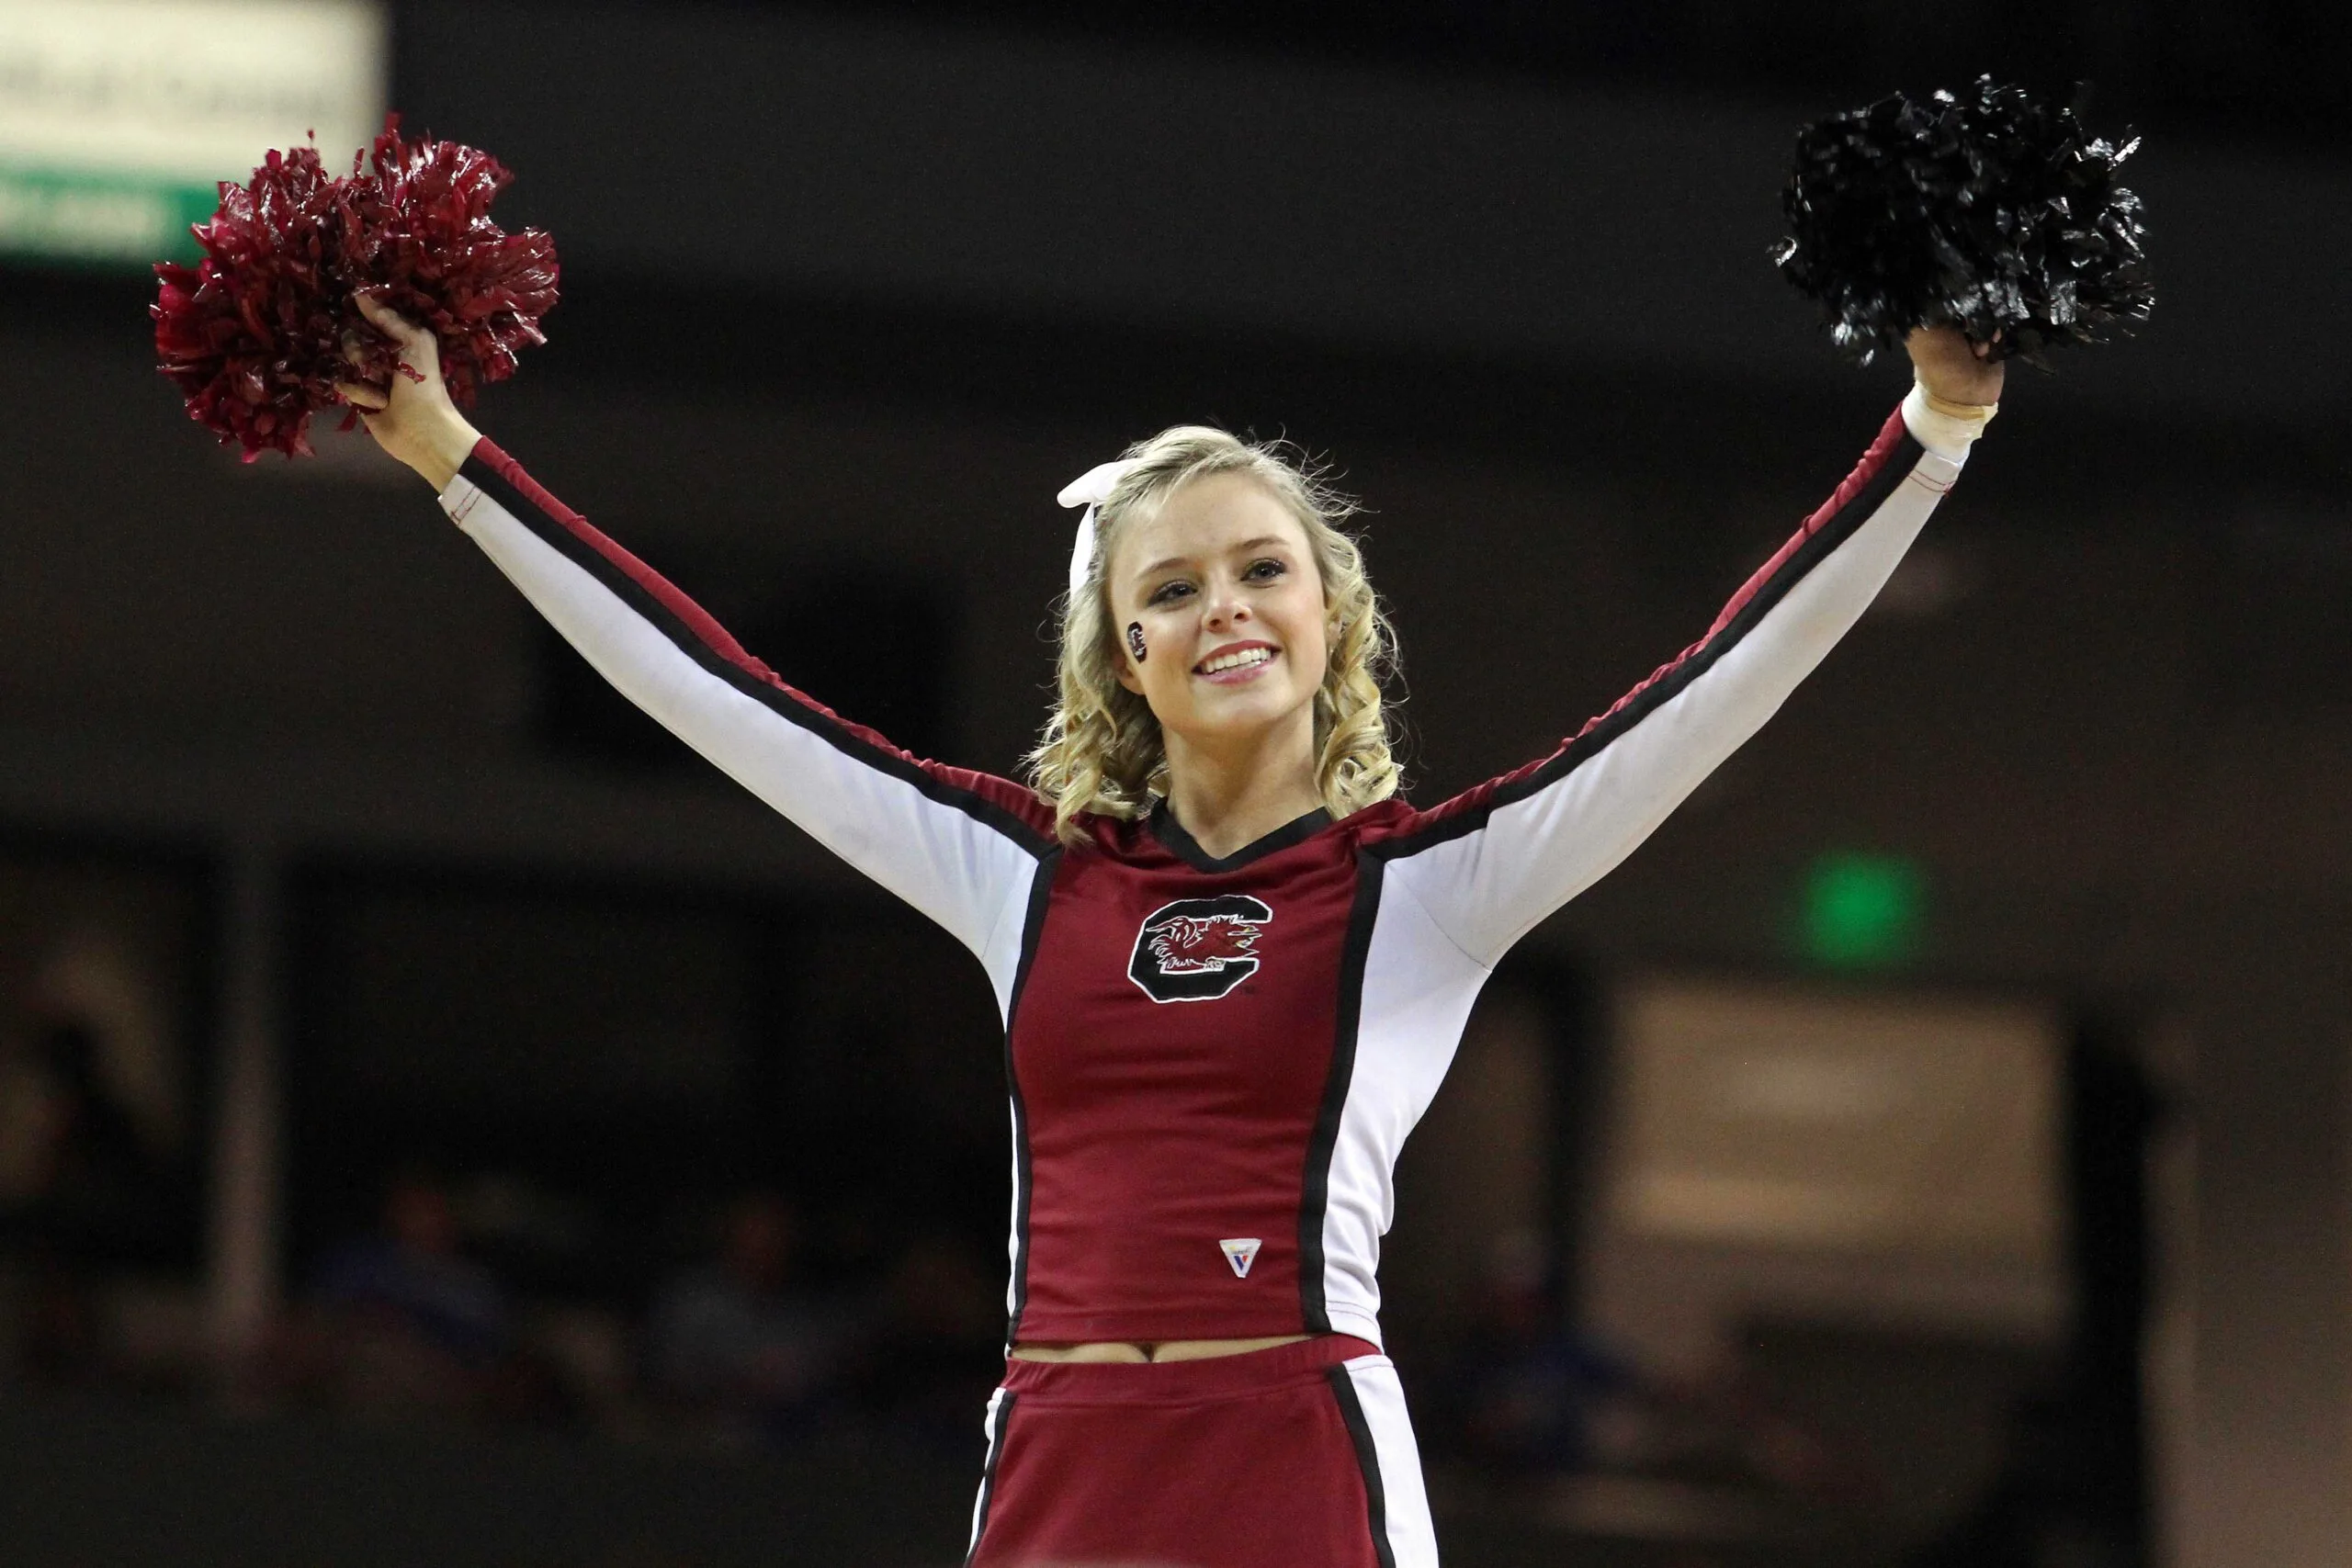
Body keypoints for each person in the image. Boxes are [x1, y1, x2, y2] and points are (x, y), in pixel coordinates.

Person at [336, 291, 2001, 1566]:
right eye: (1174, 589)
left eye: (1261, 570)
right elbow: (716, 693)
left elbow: (1720, 684)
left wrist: (1928, 428)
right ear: (1123, 653)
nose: (1224, 610)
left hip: (1299, 1454)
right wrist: (451, 460)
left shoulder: (1425, 887)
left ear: (1330, 615)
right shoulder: (1020, 872)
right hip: (1059, 1449)